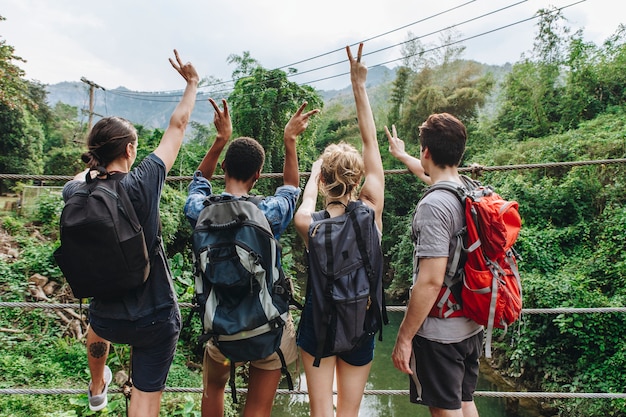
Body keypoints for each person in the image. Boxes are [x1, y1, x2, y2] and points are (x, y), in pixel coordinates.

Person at [61, 50, 199, 416]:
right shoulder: (144, 182)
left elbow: (76, 181)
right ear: (129, 149)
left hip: (106, 318)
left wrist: (91, 171)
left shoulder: (78, 192)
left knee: (96, 328)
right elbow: (178, 126)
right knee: (145, 398)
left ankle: (97, 385)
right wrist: (192, 84)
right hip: (155, 317)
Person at [184, 98, 319, 417]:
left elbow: (198, 183)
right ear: (258, 175)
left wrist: (220, 140)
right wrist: (290, 140)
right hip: (265, 326)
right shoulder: (267, 213)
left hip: (219, 326)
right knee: (258, 407)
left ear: (224, 168)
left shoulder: (199, 211)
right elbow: (290, 188)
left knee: (214, 389)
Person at [293, 43, 385, 417]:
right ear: (358, 177)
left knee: (321, 414)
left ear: (324, 179)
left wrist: (313, 173)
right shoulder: (372, 211)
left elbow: (306, 204)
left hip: (320, 321)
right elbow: (371, 142)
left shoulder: (308, 224)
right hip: (360, 320)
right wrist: (358, 85)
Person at [389, 113, 484, 417]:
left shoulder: (432, 206)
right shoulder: (469, 188)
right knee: (465, 402)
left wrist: (403, 338)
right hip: (471, 325)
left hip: (442, 334)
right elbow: (431, 176)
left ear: (426, 151)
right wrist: (402, 155)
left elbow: (430, 281)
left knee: (446, 410)